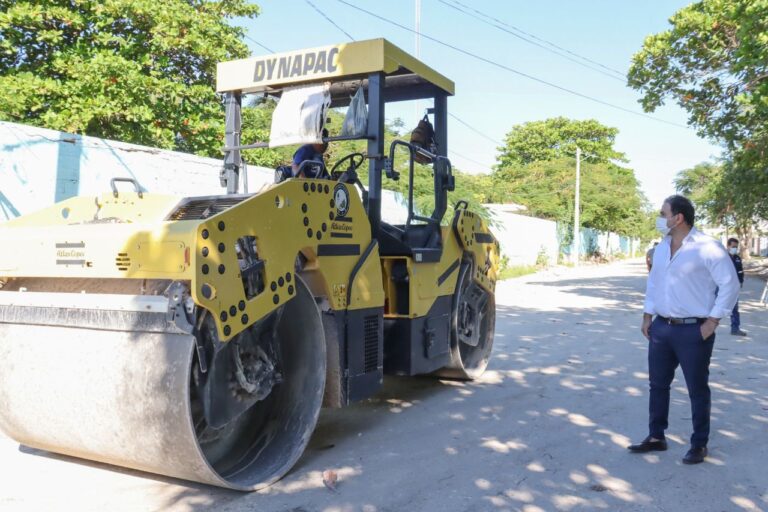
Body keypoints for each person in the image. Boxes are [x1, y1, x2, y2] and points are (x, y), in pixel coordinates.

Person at [629, 195, 739, 465]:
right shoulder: (662, 248)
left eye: (662, 212)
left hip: (693, 331)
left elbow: (730, 284)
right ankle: (657, 437)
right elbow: (654, 284)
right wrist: (647, 316)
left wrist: (712, 322)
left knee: (697, 389)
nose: (659, 218)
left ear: (678, 217)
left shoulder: (707, 247)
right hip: (661, 328)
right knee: (658, 385)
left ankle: (699, 444)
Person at [727, 237, 747, 336]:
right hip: (722, 287)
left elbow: (740, 271)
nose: (735, 248)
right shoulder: (723, 258)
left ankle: (735, 328)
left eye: (736, 247)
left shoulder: (737, 258)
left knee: (735, 308)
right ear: (728, 246)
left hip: (734, 287)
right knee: (711, 307)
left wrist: (741, 281)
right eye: (733, 246)